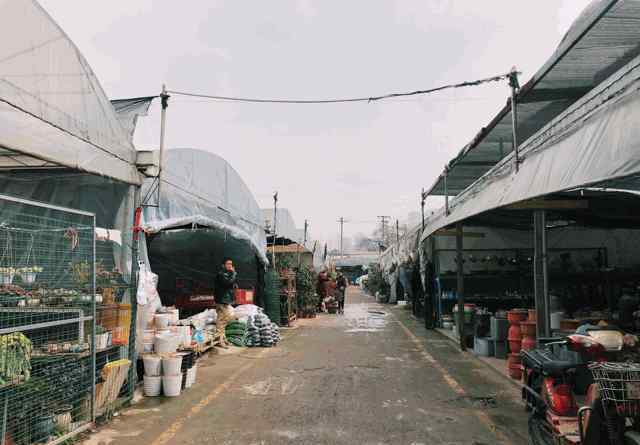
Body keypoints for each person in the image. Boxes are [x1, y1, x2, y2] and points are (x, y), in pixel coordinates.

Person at [214, 257, 237, 348]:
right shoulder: (221, 274)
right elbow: (227, 283)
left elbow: (231, 284)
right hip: (221, 300)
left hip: (225, 300)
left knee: (222, 319)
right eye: (228, 264)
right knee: (224, 319)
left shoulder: (227, 274)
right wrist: (234, 273)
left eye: (231, 264)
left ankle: (222, 339)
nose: (230, 266)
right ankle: (220, 340)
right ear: (223, 265)